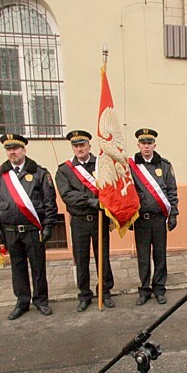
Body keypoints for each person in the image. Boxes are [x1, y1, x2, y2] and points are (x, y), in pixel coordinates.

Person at [0, 134, 58, 320]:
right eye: (8, 149)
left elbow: (49, 202)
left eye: (15, 148)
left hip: (33, 230)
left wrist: (48, 225)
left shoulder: (39, 173)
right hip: (10, 230)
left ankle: (41, 300)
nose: (12, 152)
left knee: (38, 267)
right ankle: (22, 302)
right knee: (17, 269)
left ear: (24, 150)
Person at [55, 129, 115, 312]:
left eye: (82, 145)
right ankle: (84, 294)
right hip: (80, 220)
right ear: (72, 148)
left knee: (102, 257)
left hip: (100, 220)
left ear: (89, 146)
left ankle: (105, 292)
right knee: (81, 259)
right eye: (76, 145)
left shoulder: (102, 165)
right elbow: (67, 195)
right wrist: (91, 201)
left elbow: (111, 186)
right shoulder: (64, 170)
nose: (79, 148)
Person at [128, 128, 179, 305]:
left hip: (158, 219)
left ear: (154, 145)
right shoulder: (130, 166)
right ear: (138, 145)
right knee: (143, 257)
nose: (146, 146)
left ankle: (159, 289)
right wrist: (127, 216)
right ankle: (144, 291)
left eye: (149, 143)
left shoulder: (164, 165)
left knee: (160, 255)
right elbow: (126, 192)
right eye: (143, 143)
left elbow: (172, 190)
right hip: (141, 219)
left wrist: (173, 214)